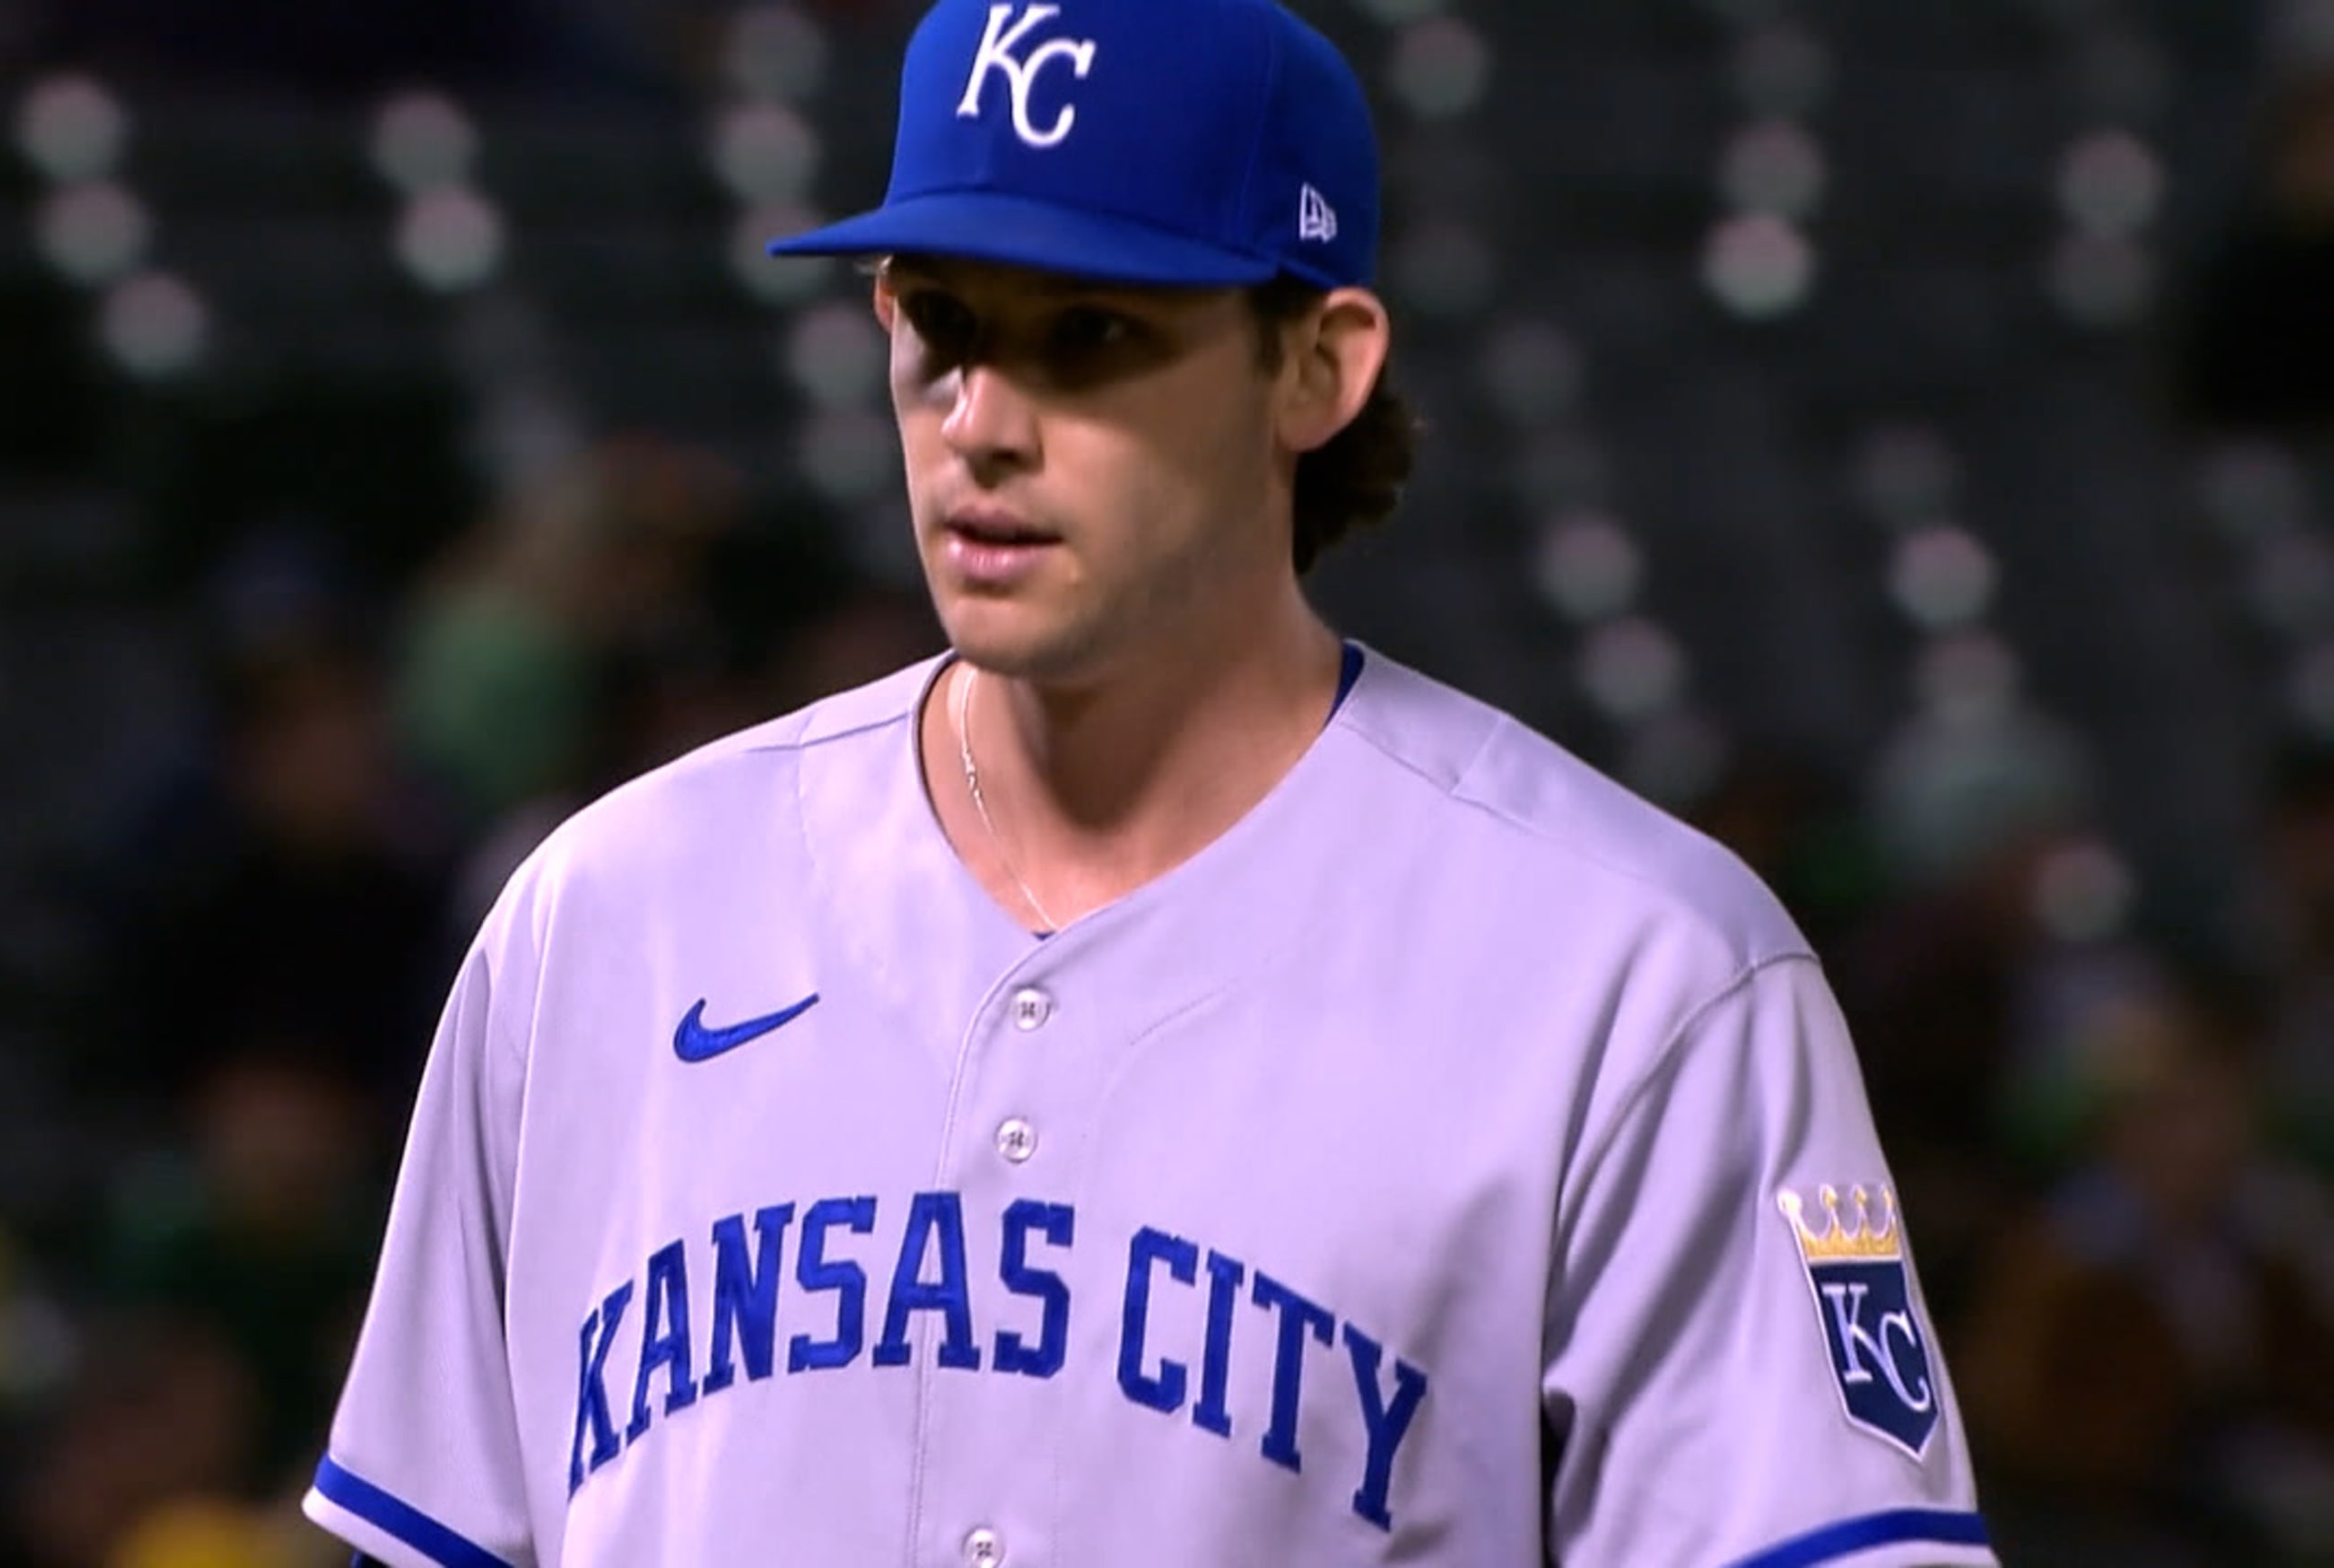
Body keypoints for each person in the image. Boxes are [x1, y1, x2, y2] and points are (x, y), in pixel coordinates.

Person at [301, 0, 1998, 1563]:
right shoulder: (605, 919)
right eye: (945, 327)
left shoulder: (1636, 977)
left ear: (1317, 366)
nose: (983, 422)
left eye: (1091, 333)